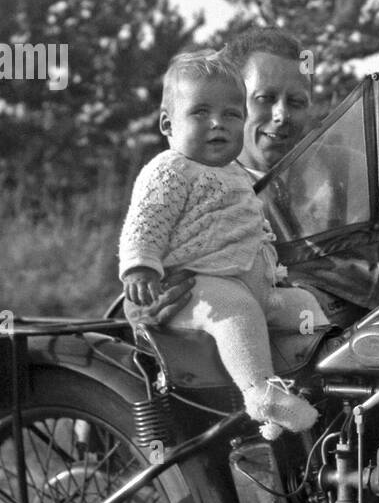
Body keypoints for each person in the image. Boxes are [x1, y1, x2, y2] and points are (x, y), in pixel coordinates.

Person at [119, 48, 326, 439]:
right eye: (200, 113)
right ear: (167, 123)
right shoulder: (171, 169)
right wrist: (141, 269)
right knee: (235, 310)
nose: (218, 124)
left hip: (258, 286)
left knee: (306, 307)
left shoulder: (239, 175)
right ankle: (260, 393)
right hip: (203, 287)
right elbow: (145, 221)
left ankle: (317, 387)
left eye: (231, 114)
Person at [127, 28, 362, 329]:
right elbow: (140, 268)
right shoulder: (188, 180)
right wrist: (146, 310)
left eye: (297, 102)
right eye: (265, 98)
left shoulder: (343, 169)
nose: (281, 115)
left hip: (356, 338)